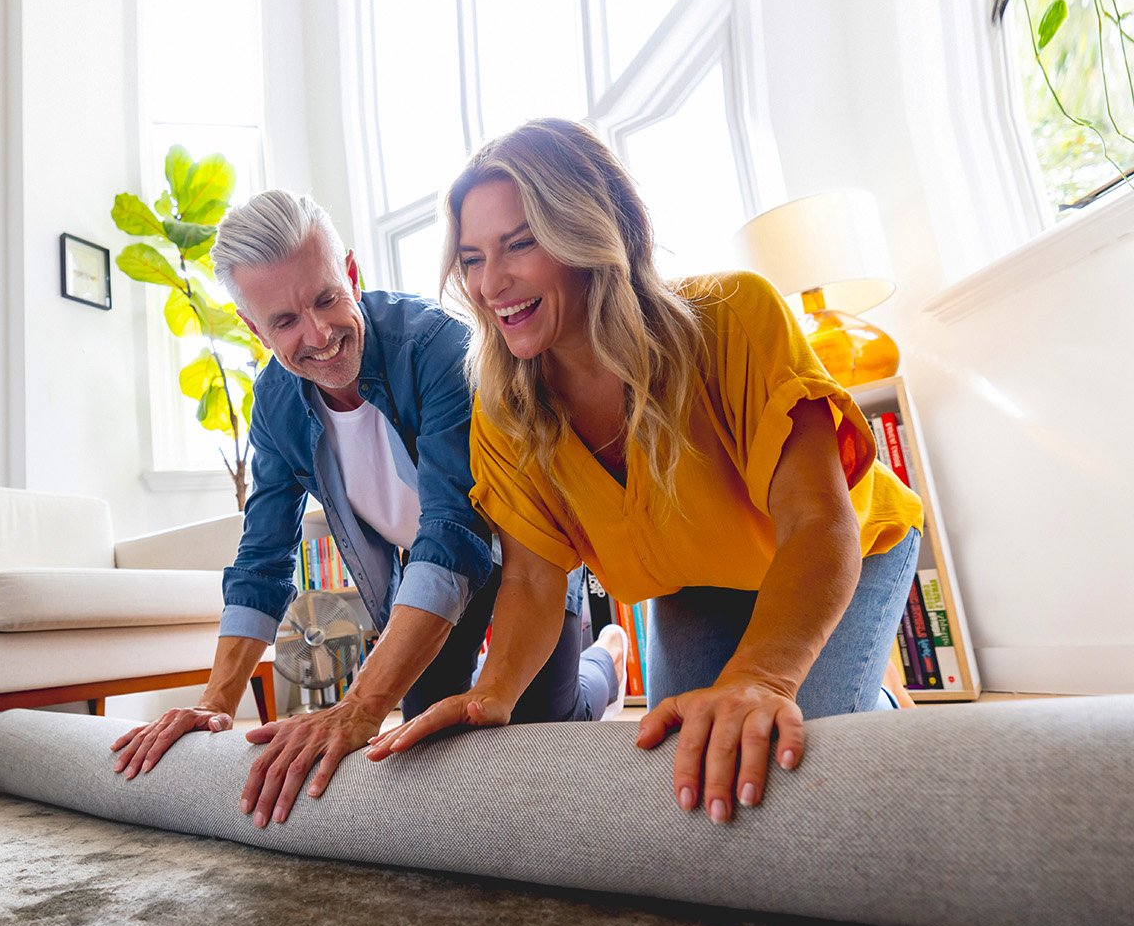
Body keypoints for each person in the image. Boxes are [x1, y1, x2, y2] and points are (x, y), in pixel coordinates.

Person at [367, 120, 925, 827]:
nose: (490, 283)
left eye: (520, 243)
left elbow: (818, 520)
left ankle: (868, 699)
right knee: (685, 773)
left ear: (590, 232)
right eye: (472, 258)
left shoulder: (738, 316)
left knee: (771, 774)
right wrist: (494, 691)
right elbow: (535, 578)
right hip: (700, 577)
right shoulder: (504, 408)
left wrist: (760, 678)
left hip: (840, 547)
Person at [109, 189, 624, 828]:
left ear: (350, 273)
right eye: (285, 322)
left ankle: (607, 658)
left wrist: (357, 707)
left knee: (544, 725)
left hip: (518, 553)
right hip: (427, 581)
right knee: (431, 741)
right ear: (253, 329)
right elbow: (263, 558)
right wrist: (216, 700)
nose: (318, 335)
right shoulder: (273, 404)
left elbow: (453, 532)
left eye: (326, 298)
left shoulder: (436, 347)